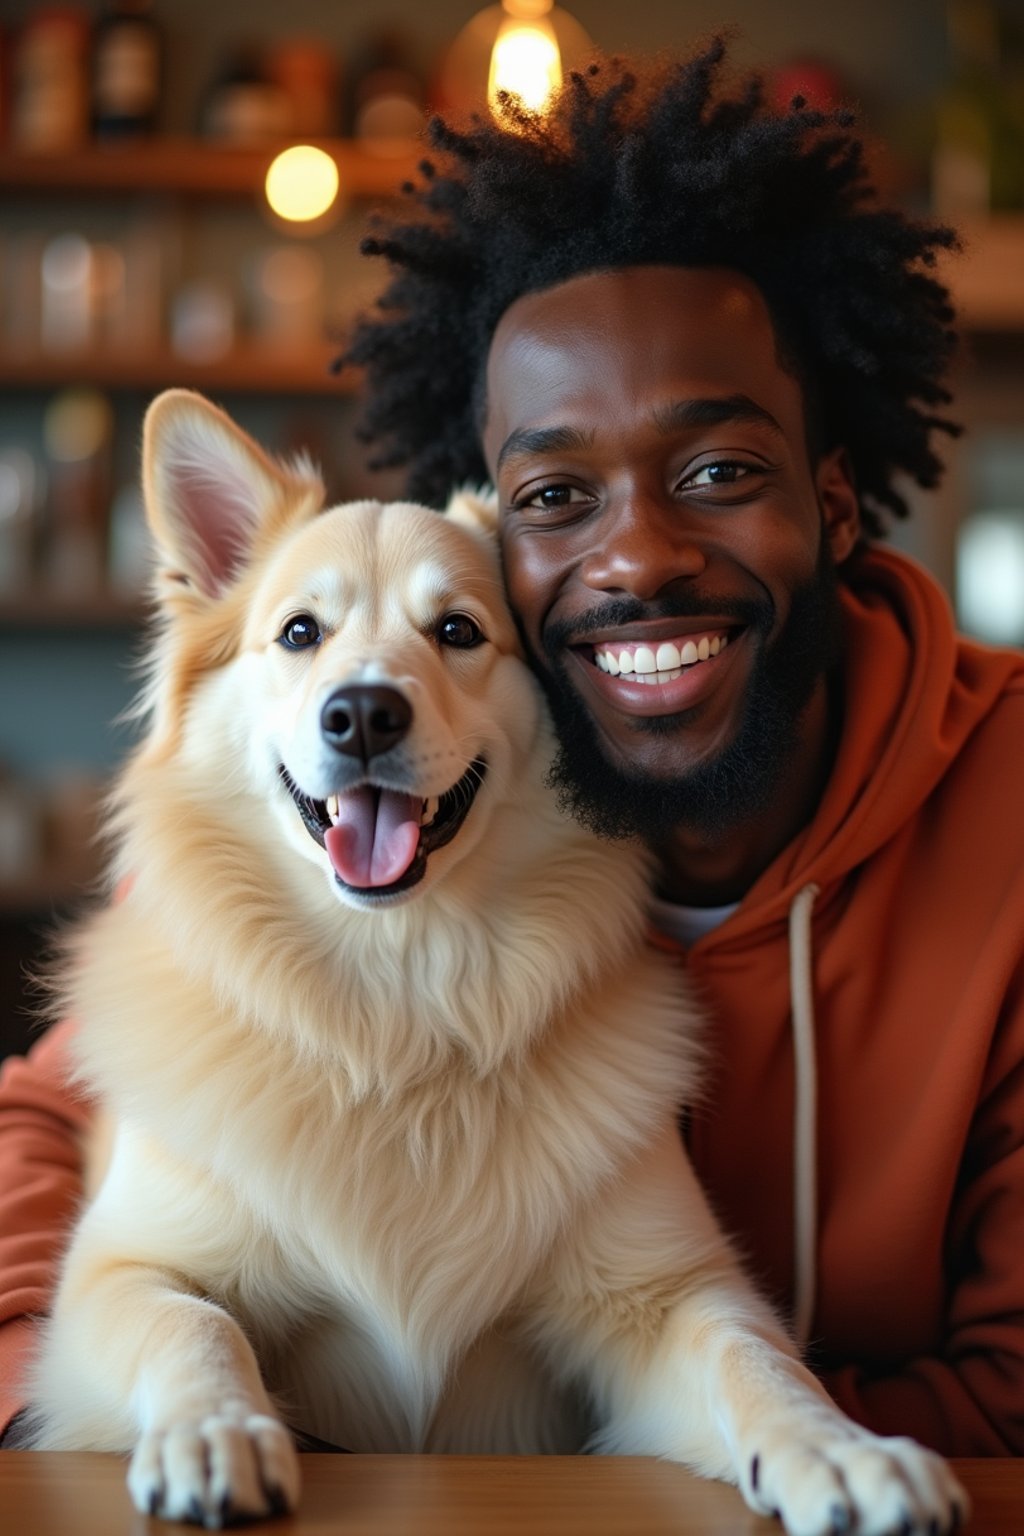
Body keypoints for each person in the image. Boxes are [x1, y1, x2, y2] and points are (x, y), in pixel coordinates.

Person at [2, 38, 1023, 1455]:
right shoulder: (286, 866)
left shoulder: (997, 809)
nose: (638, 558)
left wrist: (758, 1451)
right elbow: (56, 1136)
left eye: (718, 472)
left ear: (839, 505)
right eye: (557, 492)